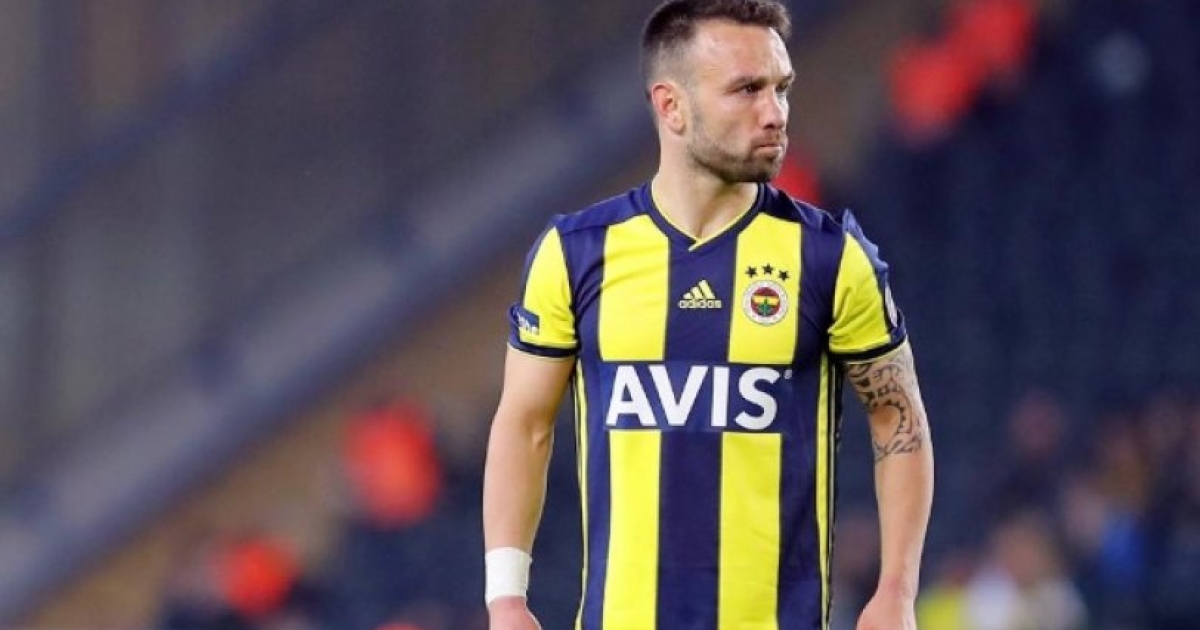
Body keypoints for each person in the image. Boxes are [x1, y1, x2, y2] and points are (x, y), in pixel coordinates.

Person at [482, 1, 935, 629]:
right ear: (671, 106)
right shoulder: (576, 253)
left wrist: (897, 590)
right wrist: (506, 597)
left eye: (781, 89)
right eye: (747, 90)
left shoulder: (831, 257)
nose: (775, 113)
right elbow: (525, 423)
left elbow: (897, 419)